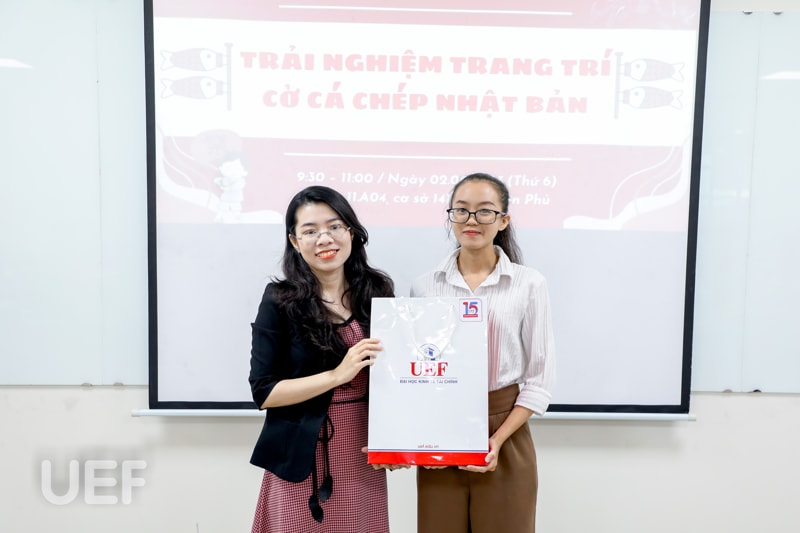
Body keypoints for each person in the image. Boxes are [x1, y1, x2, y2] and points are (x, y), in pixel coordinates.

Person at [410, 172, 556, 533]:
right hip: (441, 432)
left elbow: (540, 381)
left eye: (485, 211)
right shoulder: (424, 286)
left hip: (505, 430)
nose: (471, 220)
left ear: (503, 220)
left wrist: (496, 440)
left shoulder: (529, 284)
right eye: (461, 210)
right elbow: (417, 373)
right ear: (450, 217)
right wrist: (415, 439)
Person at [248, 185, 395, 532]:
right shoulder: (280, 300)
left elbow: (396, 377)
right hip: (302, 452)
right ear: (295, 241)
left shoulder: (377, 291)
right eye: (310, 231)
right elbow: (264, 392)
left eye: (334, 226)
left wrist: (397, 441)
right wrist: (337, 375)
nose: (324, 239)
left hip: (361, 449)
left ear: (351, 232)